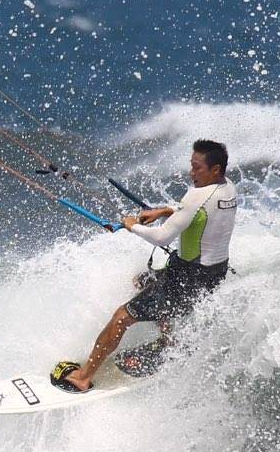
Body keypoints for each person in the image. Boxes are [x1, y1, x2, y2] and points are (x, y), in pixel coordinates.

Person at [52, 139, 237, 392]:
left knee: (121, 317)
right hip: (213, 272)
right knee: (142, 281)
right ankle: (169, 340)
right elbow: (195, 210)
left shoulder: (196, 196)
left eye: (197, 168)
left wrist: (132, 225)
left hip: (186, 277)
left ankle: (83, 378)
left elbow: (162, 237)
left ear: (215, 169)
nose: (191, 173)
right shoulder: (228, 188)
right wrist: (163, 210)